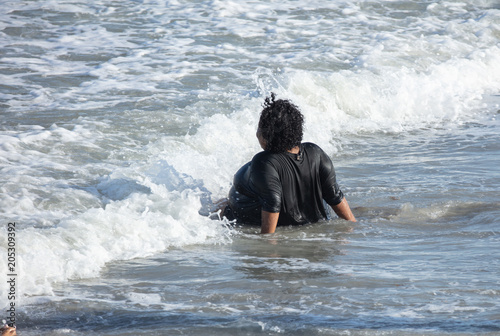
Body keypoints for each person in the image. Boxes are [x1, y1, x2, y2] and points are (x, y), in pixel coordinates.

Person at [221, 93, 356, 233]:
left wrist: (267, 246)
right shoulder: (316, 152)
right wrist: (352, 226)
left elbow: (273, 203)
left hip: (252, 223)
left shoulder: (264, 162)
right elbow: (334, 195)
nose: (257, 133)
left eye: (259, 128)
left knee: (220, 206)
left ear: (267, 134)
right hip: (310, 225)